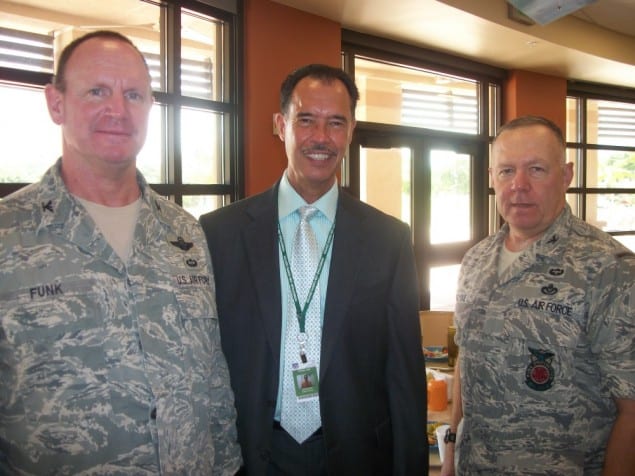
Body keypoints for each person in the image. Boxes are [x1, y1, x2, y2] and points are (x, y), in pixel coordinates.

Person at [0, 31, 241, 474]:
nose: (118, 110)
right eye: (97, 91)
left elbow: (212, 376)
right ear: (57, 104)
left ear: (151, 107)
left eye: (134, 94)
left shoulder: (184, 233)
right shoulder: (8, 236)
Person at [200, 63, 428, 475]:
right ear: (280, 125)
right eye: (306, 120)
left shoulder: (388, 239)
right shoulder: (220, 233)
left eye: (335, 123)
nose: (321, 138)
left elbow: (404, 376)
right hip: (252, 451)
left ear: (351, 130)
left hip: (356, 454)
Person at [441, 115, 635, 475]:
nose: (519, 185)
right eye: (506, 171)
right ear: (491, 178)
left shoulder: (609, 269)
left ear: (566, 176)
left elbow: (632, 408)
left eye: (536, 169)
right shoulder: (476, 260)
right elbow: (465, 359)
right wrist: (452, 446)